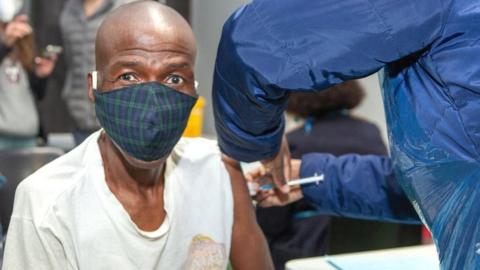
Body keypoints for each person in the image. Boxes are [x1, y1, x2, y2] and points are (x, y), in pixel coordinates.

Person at [2, 2, 273, 269]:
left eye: (174, 79)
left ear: (194, 90)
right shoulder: (48, 203)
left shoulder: (219, 171)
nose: (152, 106)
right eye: (129, 76)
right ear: (93, 87)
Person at [212, 0, 480, 269]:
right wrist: (311, 177)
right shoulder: (368, 131)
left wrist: (262, 147)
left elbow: (253, 42)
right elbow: (447, 182)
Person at [256, 81, 420, 269]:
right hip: (371, 252)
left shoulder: (294, 142)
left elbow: (271, 222)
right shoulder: (371, 132)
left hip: (309, 252)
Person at [60, 0, 136, 145]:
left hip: (120, 118)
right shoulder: (69, 10)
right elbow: (71, 60)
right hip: (79, 117)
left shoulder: (126, 6)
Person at [0, 14, 57, 149]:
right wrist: (5, 44)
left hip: (29, 136)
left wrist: (41, 77)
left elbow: (38, 95)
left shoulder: (26, 56)